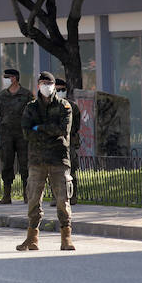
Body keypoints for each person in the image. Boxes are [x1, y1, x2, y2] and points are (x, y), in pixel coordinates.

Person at [17, 71, 76, 251]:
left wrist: (40, 128)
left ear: (54, 85)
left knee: (62, 200)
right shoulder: (31, 108)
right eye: (43, 83)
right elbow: (27, 132)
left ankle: (66, 237)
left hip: (58, 159)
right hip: (37, 160)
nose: (46, 86)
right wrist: (48, 131)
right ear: (38, 85)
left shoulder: (64, 106)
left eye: (49, 83)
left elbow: (63, 130)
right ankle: (32, 238)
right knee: (33, 199)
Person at [0, 68, 34, 204]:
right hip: (6, 135)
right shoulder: (1, 96)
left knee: (25, 164)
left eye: (7, 77)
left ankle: (27, 194)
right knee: (6, 164)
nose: (4, 79)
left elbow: (34, 115)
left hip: (23, 135)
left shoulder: (27, 95)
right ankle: (7, 194)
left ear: (14, 78)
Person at [54, 78, 82, 206]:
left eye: (62, 90)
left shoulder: (72, 106)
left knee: (71, 169)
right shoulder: (49, 106)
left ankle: (73, 195)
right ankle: (56, 197)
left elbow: (76, 126)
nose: (60, 92)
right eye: (58, 90)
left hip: (68, 142)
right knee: (54, 170)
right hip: (53, 142)